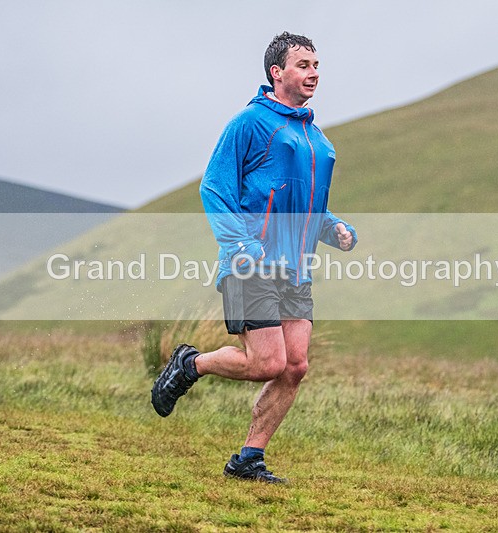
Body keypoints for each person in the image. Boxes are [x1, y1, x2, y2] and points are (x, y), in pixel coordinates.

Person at [151, 31, 357, 484]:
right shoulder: (250, 123)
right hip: (252, 263)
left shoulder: (316, 138)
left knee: (295, 365)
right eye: (303, 65)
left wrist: (334, 228)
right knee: (265, 363)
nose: (313, 73)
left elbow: (306, 206)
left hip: (295, 268)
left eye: (316, 65)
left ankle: (248, 459)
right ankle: (190, 363)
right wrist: (241, 247)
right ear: (276, 72)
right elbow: (214, 188)